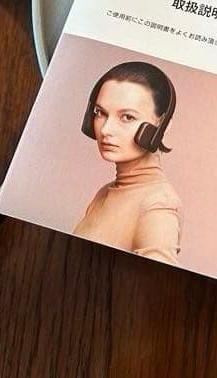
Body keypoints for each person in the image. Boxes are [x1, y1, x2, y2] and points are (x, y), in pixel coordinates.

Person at [73, 62, 182, 264]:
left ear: (162, 125)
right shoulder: (105, 192)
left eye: (127, 117)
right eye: (100, 113)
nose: (106, 130)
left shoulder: (158, 206)